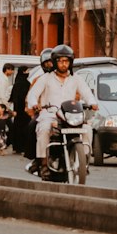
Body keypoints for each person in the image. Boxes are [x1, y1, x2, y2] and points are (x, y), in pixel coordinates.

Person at [26, 45, 97, 179]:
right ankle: (44, 164)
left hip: (70, 115)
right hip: (50, 115)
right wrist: (34, 104)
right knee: (44, 129)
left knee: (87, 129)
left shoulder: (76, 79)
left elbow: (87, 93)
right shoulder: (46, 78)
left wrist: (93, 103)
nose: (63, 64)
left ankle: (84, 162)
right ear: (54, 62)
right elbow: (33, 94)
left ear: (70, 62)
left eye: (66, 61)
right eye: (60, 61)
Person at [9, 64, 32, 155]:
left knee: (17, 127)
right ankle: (23, 147)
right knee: (25, 127)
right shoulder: (26, 83)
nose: (28, 73)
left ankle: (17, 147)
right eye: (26, 71)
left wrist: (15, 110)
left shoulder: (17, 83)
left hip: (18, 109)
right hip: (24, 109)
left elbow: (14, 98)